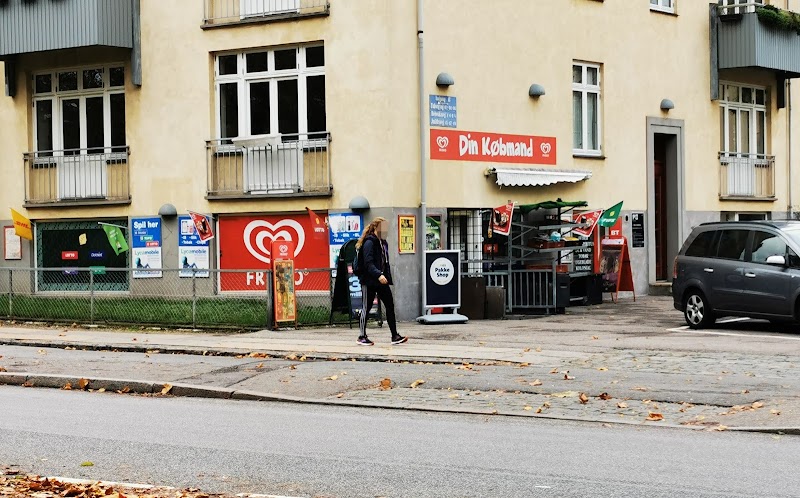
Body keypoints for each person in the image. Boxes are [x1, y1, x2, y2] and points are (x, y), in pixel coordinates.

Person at [355, 216, 407, 346]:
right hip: (369, 280)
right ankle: (361, 336)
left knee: (389, 305)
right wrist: (378, 275)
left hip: (382, 280)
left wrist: (386, 276)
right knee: (366, 307)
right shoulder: (369, 242)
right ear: (377, 228)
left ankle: (394, 335)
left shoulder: (383, 243)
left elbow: (385, 262)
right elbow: (368, 263)